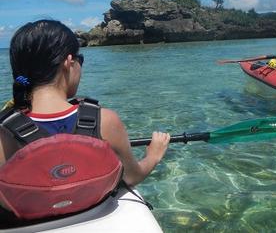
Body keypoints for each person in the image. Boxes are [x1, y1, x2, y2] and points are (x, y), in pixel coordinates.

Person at [0, 20, 170, 220]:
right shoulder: (104, 120)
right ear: (68, 62)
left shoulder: (4, 130)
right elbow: (132, 177)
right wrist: (154, 155)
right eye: (80, 59)